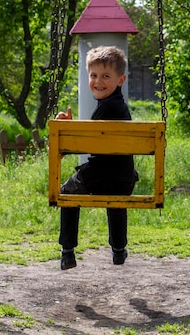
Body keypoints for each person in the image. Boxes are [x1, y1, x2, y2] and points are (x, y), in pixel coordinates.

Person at [56, 45, 138, 270]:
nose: (98, 81)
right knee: (117, 198)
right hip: (124, 181)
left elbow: (84, 144)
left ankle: (67, 251)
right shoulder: (120, 107)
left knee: (66, 191)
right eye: (93, 76)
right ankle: (119, 248)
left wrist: (66, 131)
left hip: (97, 179)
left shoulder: (106, 109)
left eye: (105, 76)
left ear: (120, 80)